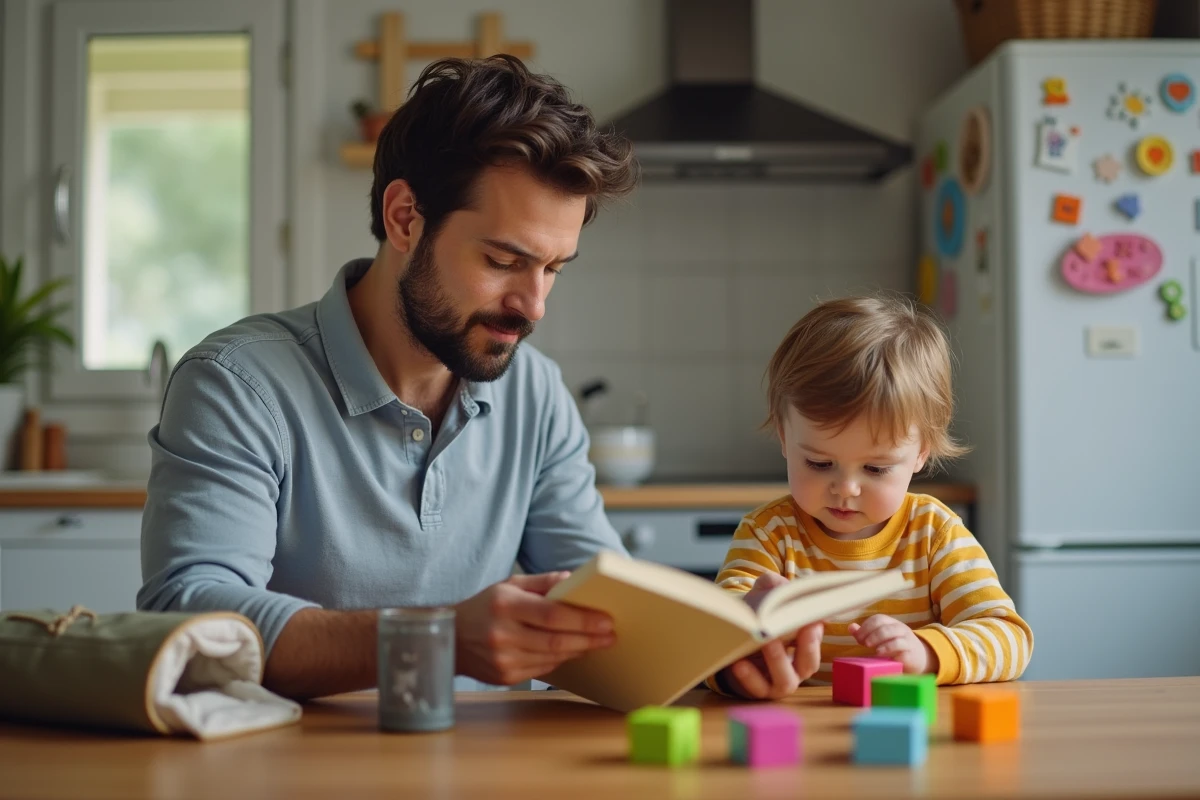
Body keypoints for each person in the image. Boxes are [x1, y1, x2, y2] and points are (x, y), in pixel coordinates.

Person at [138, 55, 640, 700]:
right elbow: (188, 614)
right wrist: (442, 638)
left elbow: (609, 601)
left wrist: (727, 648)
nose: (533, 305)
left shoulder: (535, 393)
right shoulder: (238, 383)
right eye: (502, 260)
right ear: (405, 218)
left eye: (554, 269)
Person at [708, 295, 1033, 700]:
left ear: (921, 453)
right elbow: (706, 646)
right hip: (795, 739)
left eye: (876, 469)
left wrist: (929, 653)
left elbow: (1008, 638)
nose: (846, 488)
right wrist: (740, 655)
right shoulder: (768, 534)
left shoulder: (934, 534)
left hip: (904, 728)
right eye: (819, 463)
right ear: (784, 437)